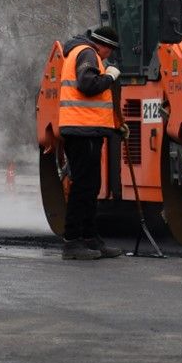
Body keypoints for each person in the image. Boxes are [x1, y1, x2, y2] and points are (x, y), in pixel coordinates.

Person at [57, 25, 125, 261]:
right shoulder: (87, 53)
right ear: (104, 45)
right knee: (83, 187)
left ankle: (90, 238)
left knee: (90, 186)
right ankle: (72, 242)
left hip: (86, 128)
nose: (110, 56)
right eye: (111, 50)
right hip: (81, 128)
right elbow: (87, 85)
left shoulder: (81, 51)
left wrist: (116, 123)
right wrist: (110, 76)